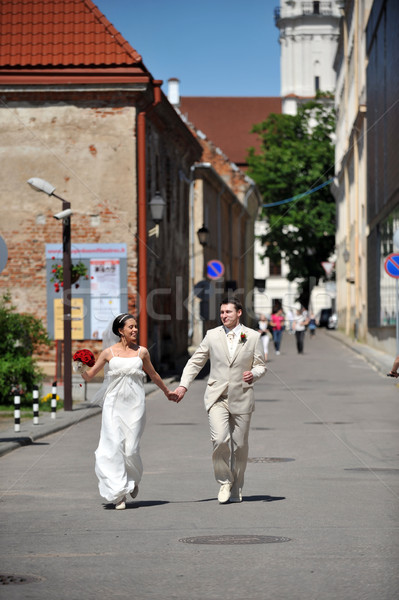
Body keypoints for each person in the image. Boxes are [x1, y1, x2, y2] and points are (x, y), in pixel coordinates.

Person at [173, 297, 267, 504]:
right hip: (217, 396)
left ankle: (237, 486)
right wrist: (183, 385)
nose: (224, 315)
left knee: (240, 446)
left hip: (242, 396)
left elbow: (261, 365)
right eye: (222, 312)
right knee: (220, 439)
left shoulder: (251, 336)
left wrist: (254, 374)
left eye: (228, 312)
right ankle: (225, 481)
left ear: (239, 313)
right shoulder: (212, 335)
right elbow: (195, 361)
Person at [80, 313, 178, 510]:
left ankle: (132, 480)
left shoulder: (142, 352)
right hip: (113, 404)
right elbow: (89, 376)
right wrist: (79, 365)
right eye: (130, 327)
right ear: (120, 331)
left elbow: (154, 374)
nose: (135, 330)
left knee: (131, 448)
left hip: (134, 404)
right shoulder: (108, 353)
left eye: (136, 327)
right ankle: (119, 494)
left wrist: (167, 392)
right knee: (114, 446)